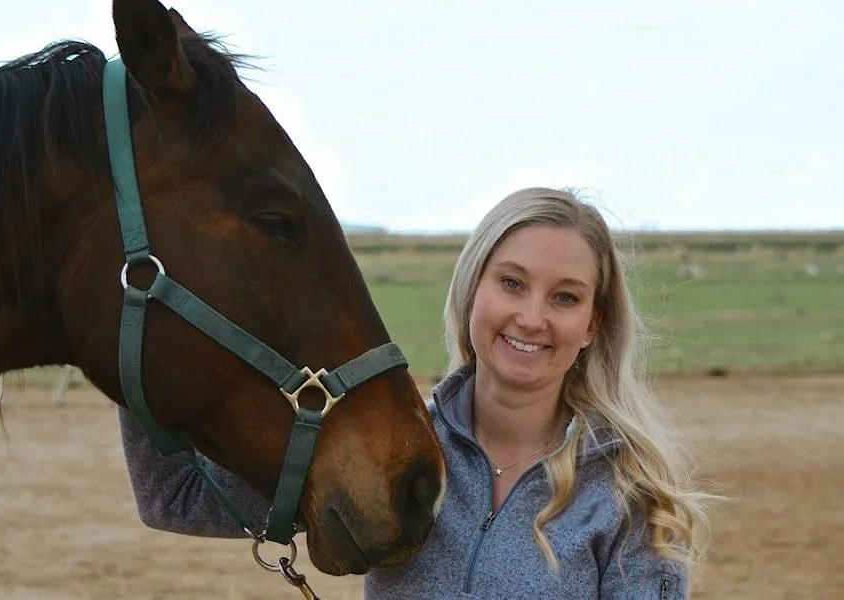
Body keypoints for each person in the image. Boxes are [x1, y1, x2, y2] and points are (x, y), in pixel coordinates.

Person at [117, 186, 716, 598]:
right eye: (511, 283)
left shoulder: (630, 495)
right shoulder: (392, 453)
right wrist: (134, 331)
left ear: (592, 325)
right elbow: (176, 495)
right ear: (472, 291)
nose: (532, 317)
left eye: (565, 297)